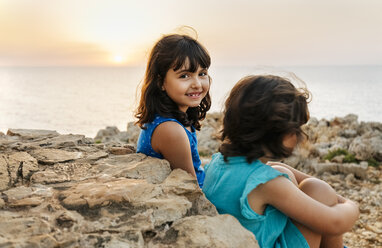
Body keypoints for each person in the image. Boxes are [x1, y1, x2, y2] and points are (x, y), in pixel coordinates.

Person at [202, 75, 359, 248]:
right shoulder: (267, 185)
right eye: (296, 128)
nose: (300, 135)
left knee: (284, 172)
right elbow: (335, 223)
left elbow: (274, 169)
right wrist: (350, 205)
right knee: (319, 189)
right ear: (274, 132)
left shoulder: (220, 161)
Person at [135, 33, 211, 187]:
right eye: (184, 76)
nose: (197, 84)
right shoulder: (170, 130)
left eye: (202, 73)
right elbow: (193, 189)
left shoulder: (177, 117)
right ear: (161, 82)